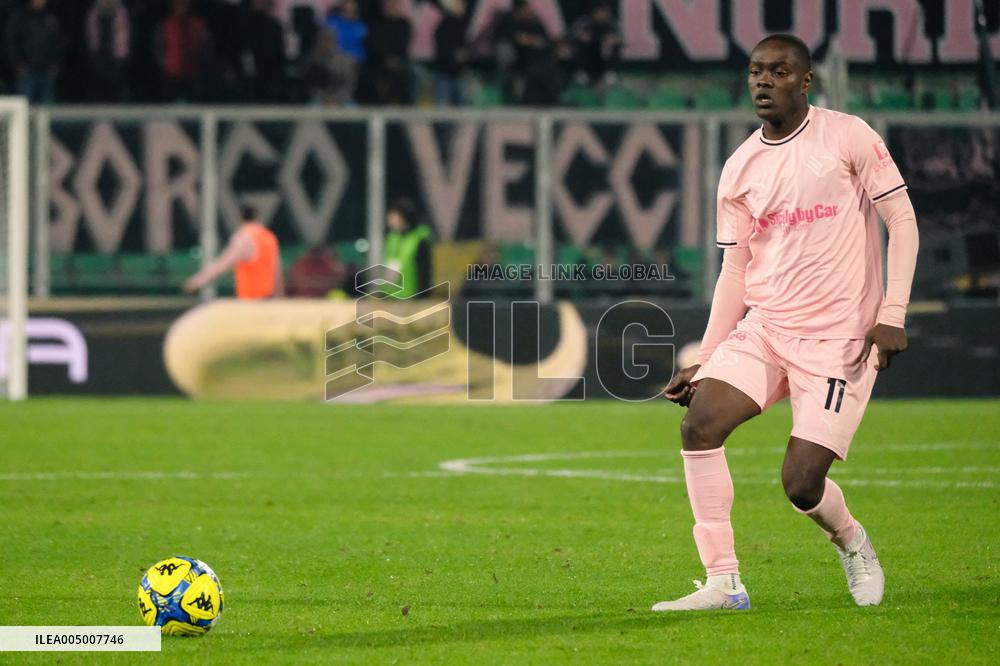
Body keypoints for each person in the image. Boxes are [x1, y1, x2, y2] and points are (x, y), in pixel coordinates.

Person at [655, 34, 919, 611]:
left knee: (801, 483)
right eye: (755, 71)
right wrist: (707, 354)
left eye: (778, 71)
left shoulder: (847, 135)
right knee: (699, 426)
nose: (763, 81)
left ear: (805, 81)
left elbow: (900, 217)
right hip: (768, 326)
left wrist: (892, 312)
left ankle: (851, 540)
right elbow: (735, 269)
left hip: (838, 337)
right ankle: (723, 583)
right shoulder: (741, 166)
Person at [183, 206, 283, 299]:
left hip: (251, 297)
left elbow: (223, 264)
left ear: (239, 218)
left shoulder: (243, 238)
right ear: (257, 217)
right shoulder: (268, 237)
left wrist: (196, 282)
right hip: (269, 296)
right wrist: (279, 296)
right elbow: (276, 269)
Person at [4, 0, 64, 104]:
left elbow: (58, 42)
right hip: (27, 73)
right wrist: (18, 64)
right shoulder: (19, 16)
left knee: (45, 109)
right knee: (24, 108)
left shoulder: (51, 17)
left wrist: (55, 64)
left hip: (47, 72)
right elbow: (12, 42)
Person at [155, 0, 211, 102]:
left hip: (193, 73)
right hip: (171, 74)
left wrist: (202, 66)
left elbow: (205, 47)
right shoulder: (166, 25)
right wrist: (164, 65)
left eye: (185, 4)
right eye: (179, 4)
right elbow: (158, 47)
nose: (182, 7)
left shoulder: (198, 25)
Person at [384, 198, 433, 298]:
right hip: (392, 296)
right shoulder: (392, 238)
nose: (390, 220)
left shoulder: (419, 239)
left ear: (404, 217)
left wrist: (422, 296)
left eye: (394, 217)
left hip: (412, 296)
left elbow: (424, 271)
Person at [84, 0, 130, 102]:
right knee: (99, 93)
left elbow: (125, 33)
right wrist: (94, 53)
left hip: (116, 58)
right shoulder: (94, 12)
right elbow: (90, 33)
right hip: (99, 57)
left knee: (116, 93)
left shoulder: (120, 11)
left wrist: (123, 56)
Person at [568, 0, 621, 86]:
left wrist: (613, 39)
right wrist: (581, 37)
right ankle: (582, 73)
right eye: (600, 12)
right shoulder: (583, 22)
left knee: (612, 46)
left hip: (603, 54)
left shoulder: (612, 22)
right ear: (594, 12)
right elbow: (572, 36)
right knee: (579, 45)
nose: (603, 15)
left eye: (605, 12)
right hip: (588, 54)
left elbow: (621, 38)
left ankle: (609, 72)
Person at [431, 0, 469, 106]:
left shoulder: (462, 25)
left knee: (461, 107)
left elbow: (466, 47)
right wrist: (455, 55)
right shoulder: (444, 25)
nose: (462, 7)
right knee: (442, 107)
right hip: (444, 72)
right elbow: (442, 49)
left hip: (458, 72)